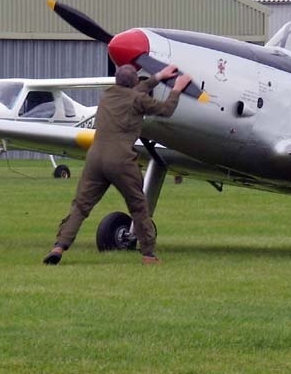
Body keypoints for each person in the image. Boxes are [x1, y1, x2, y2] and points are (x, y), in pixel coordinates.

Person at [43, 63, 193, 265]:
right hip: (121, 160)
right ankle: (148, 254)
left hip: (95, 158)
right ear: (133, 82)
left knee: (80, 206)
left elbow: (134, 92)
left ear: (116, 80)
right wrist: (177, 89)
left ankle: (59, 246)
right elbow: (165, 110)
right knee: (139, 206)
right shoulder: (138, 99)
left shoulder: (107, 95)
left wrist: (158, 76)